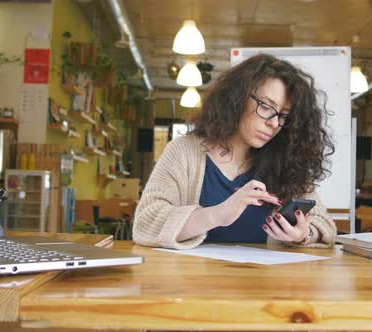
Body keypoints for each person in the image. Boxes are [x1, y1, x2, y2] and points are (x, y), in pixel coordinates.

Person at [133, 53, 336, 249]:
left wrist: (304, 234)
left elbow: (324, 224)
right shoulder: (183, 151)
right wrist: (217, 215)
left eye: (283, 116)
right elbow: (145, 224)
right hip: (192, 280)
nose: (274, 123)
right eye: (266, 106)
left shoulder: (285, 161)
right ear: (237, 98)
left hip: (266, 281)